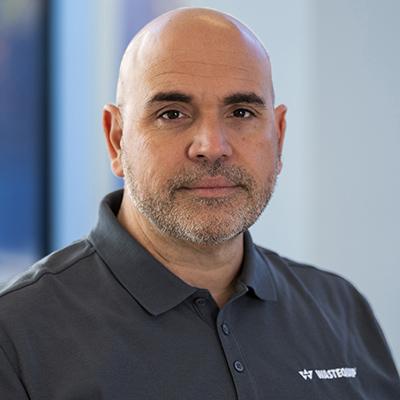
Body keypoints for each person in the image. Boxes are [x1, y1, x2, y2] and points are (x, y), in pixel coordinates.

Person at [0, 7, 399, 399]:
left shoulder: (341, 310)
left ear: (278, 137)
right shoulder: (16, 335)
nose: (212, 146)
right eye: (172, 114)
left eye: (241, 112)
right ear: (116, 139)